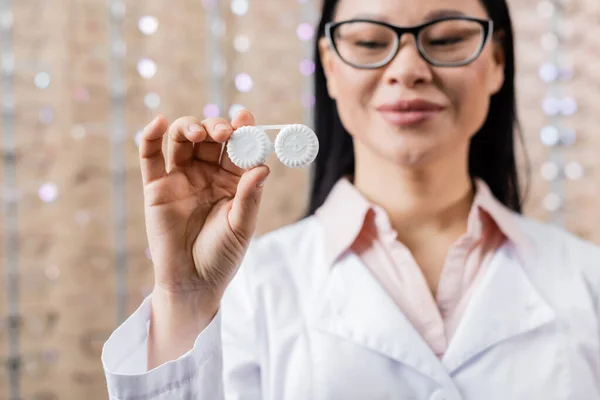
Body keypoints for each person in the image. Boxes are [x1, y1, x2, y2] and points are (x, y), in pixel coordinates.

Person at [102, 0, 600, 398]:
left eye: (447, 39)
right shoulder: (248, 289)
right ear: (329, 67)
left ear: (496, 62)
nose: (408, 69)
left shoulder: (587, 278)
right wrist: (185, 297)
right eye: (369, 41)